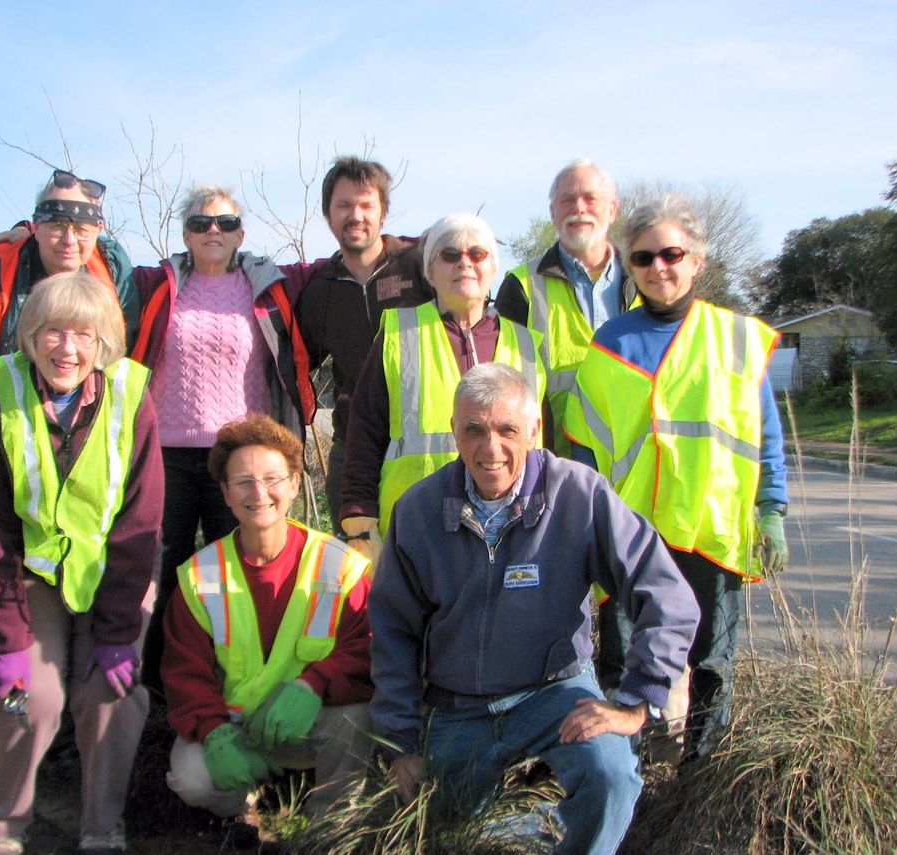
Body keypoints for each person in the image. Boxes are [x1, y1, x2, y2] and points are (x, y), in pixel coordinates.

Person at [369, 363, 699, 855]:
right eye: (474, 430)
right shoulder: (418, 510)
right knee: (446, 832)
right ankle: (525, 826)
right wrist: (400, 741)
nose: (491, 449)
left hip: (555, 694)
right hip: (458, 708)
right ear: (454, 431)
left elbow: (667, 596)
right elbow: (392, 631)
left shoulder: (579, 494)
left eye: (508, 430)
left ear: (534, 431)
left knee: (610, 775)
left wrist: (635, 703)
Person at [0, 169, 140, 795]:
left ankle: (63, 745)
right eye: (56, 221)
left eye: (84, 222)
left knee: (74, 606)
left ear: (99, 227)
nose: (70, 236)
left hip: (76, 461)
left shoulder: (111, 270)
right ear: (35, 222)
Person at [565, 194, 789, 762]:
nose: (659, 267)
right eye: (643, 258)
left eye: (672, 254)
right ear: (629, 265)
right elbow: (584, 446)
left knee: (710, 659)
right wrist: (587, 525)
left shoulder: (737, 338)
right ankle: (625, 774)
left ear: (697, 260)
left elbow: (764, 435)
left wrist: (773, 510)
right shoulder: (610, 343)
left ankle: (700, 775)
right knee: (622, 658)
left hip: (711, 527)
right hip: (631, 532)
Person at [0, 272, 162, 855]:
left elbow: (142, 521)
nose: (67, 349)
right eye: (53, 332)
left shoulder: (131, 396)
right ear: (30, 336)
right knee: (24, 695)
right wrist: (6, 640)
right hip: (28, 577)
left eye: (83, 334)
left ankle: (101, 829)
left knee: (109, 694)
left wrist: (120, 632)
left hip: (114, 576)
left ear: (102, 342)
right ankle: (1, 830)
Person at [130, 185, 315, 693]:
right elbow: (100, 263)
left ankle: (235, 683)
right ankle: (155, 691)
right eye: (202, 223)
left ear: (241, 234)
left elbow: (341, 261)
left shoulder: (269, 285)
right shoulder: (157, 284)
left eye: (226, 223)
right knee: (158, 571)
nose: (214, 232)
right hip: (163, 453)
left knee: (235, 570)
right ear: (185, 233)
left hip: (238, 457)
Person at [161, 414, 374, 820]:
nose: (259, 493)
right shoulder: (199, 576)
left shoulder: (340, 566)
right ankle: (243, 808)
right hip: (232, 729)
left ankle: (331, 824)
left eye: (273, 479)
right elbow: (184, 674)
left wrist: (313, 685)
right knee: (191, 779)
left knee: (357, 716)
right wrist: (213, 732)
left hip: (308, 723)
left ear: (295, 483)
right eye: (243, 481)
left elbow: (366, 648)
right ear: (224, 493)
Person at [338, 213, 543, 549]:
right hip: (419, 532)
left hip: (512, 532)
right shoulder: (398, 335)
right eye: (449, 255)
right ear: (430, 271)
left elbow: (540, 445)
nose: (465, 263)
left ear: (493, 268)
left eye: (478, 254)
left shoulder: (527, 345)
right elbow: (363, 435)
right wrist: (360, 525)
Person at [294, 156, 434, 524]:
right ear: (328, 215)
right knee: (358, 571)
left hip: (428, 445)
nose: (355, 215)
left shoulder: (421, 266)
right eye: (343, 206)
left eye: (366, 205)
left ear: (383, 212)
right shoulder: (320, 291)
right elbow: (295, 366)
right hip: (352, 452)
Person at [495, 159, 637, 453]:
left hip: (636, 469)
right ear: (553, 213)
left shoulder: (645, 280)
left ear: (613, 209)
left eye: (590, 198)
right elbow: (505, 388)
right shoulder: (521, 286)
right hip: (555, 470)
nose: (579, 208)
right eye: (567, 200)